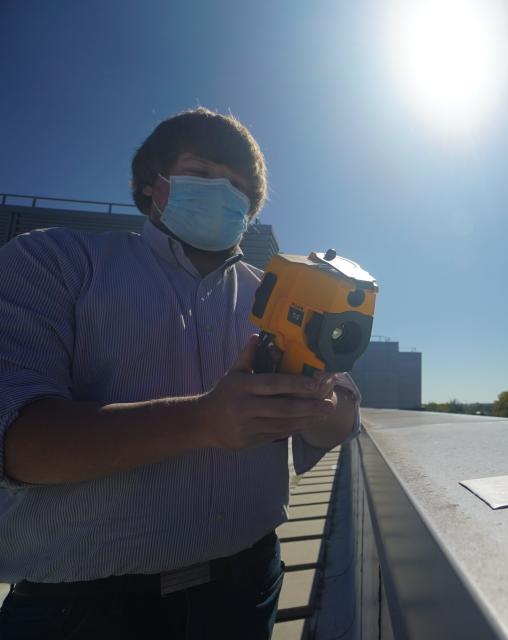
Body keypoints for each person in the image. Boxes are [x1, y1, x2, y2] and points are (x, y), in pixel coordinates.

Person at [0, 108, 361, 639]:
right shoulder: (54, 260)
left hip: (247, 582)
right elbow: (18, 443)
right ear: (152, 184)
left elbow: (342, 403)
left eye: (239, 188)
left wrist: (329, 414)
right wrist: (202, 420)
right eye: (203, 172)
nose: (223, 192)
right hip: (80, 606)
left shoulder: (282, 292)